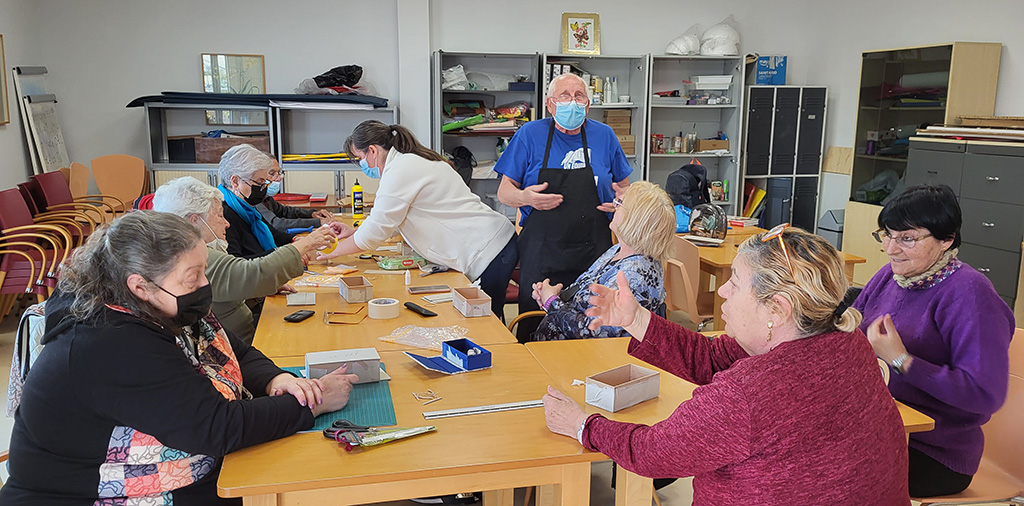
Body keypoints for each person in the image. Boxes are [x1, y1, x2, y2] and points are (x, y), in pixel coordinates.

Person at [0, 212, 359, 505]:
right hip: (83, 493)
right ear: (139, 285)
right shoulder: (108, 342)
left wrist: (276, 379)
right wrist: (313, 403)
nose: (205, 285)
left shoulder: (163, 305)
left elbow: (237, 351)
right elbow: (218, 428)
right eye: (193, 277)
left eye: (204, 269)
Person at [543, 226, 910, 505]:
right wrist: (636, 319)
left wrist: (581, 425)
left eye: (734, 282)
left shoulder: (749, 394)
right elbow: (714, 358)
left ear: (777, 309)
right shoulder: (847, 341)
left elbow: (652, 452)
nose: (721, 291)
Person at [853, 184, 1014, 497]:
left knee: (821, 474)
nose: (890, 248)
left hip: (934, 451)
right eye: (886, 234)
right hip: (878, 426)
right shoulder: (891, 276)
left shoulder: (971, 294)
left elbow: (985, 395)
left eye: (907, 238)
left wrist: (902, 361)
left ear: (946, 240)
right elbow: (853, 328)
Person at [317, 120, 518, 317]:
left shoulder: (401, 170)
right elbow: (396, 218)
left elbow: (374, 233)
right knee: (484, 319)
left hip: (488, 249)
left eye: (360, 158)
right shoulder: (412, 161)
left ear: (372, 150)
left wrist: (330, 251)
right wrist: (354, 232)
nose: (362, 165)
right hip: (491, 242)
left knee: (486, 322)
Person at [494, 73, 631, 336]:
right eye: (564, 96)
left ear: (588, 104)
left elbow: (625, 189)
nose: (572, 102)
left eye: (579, 96)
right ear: (550, 104)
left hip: (594, 252)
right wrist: (526, 197)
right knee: (536, 325)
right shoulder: (530, 134)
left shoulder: (605, 136)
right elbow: (504, 192)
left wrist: (620, 203)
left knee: (590, 324)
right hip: (542, 251)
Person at [152, 176, 338, 344]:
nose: (227, 223)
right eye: (219, 215)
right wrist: (306, 244)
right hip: (238, 344)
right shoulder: (192, 258)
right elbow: (249, 273)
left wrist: (257, 292)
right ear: (195, 221)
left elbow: (230, 285)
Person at [529, 181, 673, 341]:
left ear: (634, 221)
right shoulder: (619, 250)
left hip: (578, 358)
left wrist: (552, 303)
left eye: (620, 203)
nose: (615, 207)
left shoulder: (634, 275)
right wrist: (551, 295)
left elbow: (591, 331)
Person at [218, 143, 302, 259]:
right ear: (235, 182)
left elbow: (274, 234)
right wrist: (285, 252)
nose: (263, 189)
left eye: (265, 183)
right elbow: (236, 263)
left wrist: (296, 239)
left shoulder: (247, 206)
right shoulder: (223, 213)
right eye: (259, 183)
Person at [257, 162, 338, 230]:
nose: (278, 178)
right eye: (272, 174)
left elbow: (285, 211)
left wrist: (312, 214)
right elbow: (276, 224)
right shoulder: (254, 201)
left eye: (278, 173)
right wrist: (318, 222)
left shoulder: (267, 199)